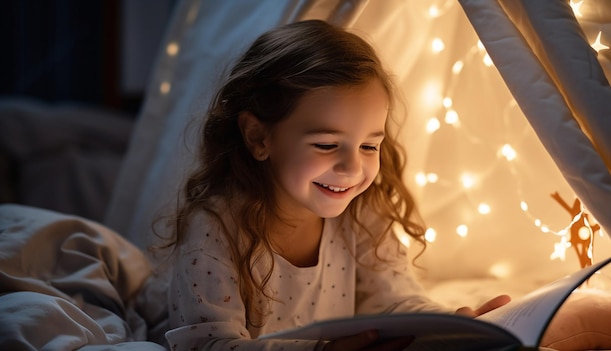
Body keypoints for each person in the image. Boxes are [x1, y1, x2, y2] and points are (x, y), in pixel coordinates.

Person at [161, 19, 510, 351]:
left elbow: (394, 302)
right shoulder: (214, 228)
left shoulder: (363, 211)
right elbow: (208, 344)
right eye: (327, 145)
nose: (352, 167)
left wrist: (455, 323)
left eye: (369, 146)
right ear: (258, 136)